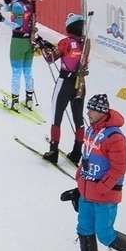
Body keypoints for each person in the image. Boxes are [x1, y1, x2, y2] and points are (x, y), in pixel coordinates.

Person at [60, 94, 126, 251]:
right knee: (84, 228)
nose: (87, 113)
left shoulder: (115, 137)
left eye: (91, 110)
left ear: (102, 112)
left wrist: (102, 188)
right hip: (87, 193)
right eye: (88, 109)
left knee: (105, 235)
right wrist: (80, 182)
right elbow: (87, 157)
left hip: (105, 196)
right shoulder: (90, 130)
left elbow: (119, 168)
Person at [40, 13, 87, 165]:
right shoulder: (84, 43)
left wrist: (42, 47)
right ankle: (77, 152)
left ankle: (53, 151)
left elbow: (50, 58)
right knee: (78, 119)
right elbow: (73, 57)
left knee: (56, 117)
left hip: (65, 82)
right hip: (79, 83)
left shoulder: (65, 42)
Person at [0, 0, 38, 111]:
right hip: (29, 41)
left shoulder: (16, 6)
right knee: (28, 71)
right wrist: (5, 1)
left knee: (16, 72)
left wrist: (3, 20)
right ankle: (29, 99)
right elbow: (8, 7)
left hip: (18, 42)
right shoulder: (28, 4)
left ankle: (15, 102)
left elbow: (17, 25)